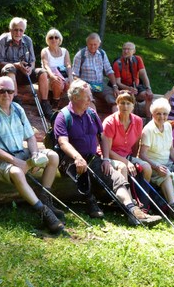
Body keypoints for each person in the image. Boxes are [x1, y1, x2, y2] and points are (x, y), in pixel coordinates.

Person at [55, 80, 161, 225]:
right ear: (75, 98)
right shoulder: (63, 116)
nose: (91, 99)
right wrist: (78, 157)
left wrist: (105, 158)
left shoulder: (91, 114)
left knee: (117, 178)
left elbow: (102, 137)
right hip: (71, 160)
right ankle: (90, 202)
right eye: (87, 97)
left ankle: (134, 212)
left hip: (93, 158)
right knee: (83, 176)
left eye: (90, 96)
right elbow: (63, 142)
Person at [0, 76, 64, 234]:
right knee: (16, 172)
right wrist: (18, 162)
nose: (6, 94)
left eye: (10, 91)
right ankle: (43, 212)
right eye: (1, 91)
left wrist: (35, 155)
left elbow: (30, 136)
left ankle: (45, 198)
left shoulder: (17, 108)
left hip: (20, 153)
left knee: (53, 156)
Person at [0, 17, 53, 116]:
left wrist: (30, 69)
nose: (18, 33)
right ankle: (16, 102)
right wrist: (16, 65)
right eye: (15, 30)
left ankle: (44, 103)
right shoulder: (2, 40)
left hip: (25, 72)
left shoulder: (28, 40)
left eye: (21, 30)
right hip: (9, 73)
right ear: (10, 30)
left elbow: (32, 60)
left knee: (42, 72)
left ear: (24, 31)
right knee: (10, 67)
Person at [100, 92, 152, 184]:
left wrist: (133, 160)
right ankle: (128, 197)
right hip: (110, 157)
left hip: (127, 155)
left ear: (133, 106)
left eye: (128, 103)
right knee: (123, 167)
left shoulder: (138, 121)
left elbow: (136, 145)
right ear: (117, 105)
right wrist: (127, 162)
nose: (125, 106)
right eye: (122, 103)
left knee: (146, 167)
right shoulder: (109, 122)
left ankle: (142, 195)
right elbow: (107, 150)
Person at [72, 33, 119, 113]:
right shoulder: (80, 55)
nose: (93, 46)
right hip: (86, 84)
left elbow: (109, 70)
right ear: (87, 43)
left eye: (95, 44)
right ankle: (94, 121)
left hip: (100, 84)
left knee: (115, 98)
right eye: (90, 44)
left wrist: (115, 86)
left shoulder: (102, 53)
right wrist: (83, 84)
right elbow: (74, 75)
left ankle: (118, 123)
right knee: (88, 99)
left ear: (99, 44)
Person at [113, 42, 153, 117]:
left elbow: (143, 75)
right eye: (124, 49)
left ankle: (149, 120)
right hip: (124, 88)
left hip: (136, 86)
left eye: (128, 49)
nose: (126, 51)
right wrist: (129, 89)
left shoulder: (137, 59)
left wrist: (148, 88)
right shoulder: (117, 63)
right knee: (130, 98)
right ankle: (131, 121)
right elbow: (118, 82)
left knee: (149, 96)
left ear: (134, 51)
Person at [40, 28, 73, 109]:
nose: (54, 39)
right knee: (56, 81)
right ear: (47, 39)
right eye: (51, 37)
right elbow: (46, 65)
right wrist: (52, 76)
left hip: (63, 74)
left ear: (59, 39)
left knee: (74, 82)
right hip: (50, 75)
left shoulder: (65, 51)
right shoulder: (45, 51)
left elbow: (68, 65)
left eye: (56, 37)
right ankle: (56, 103)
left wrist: (70, 76)